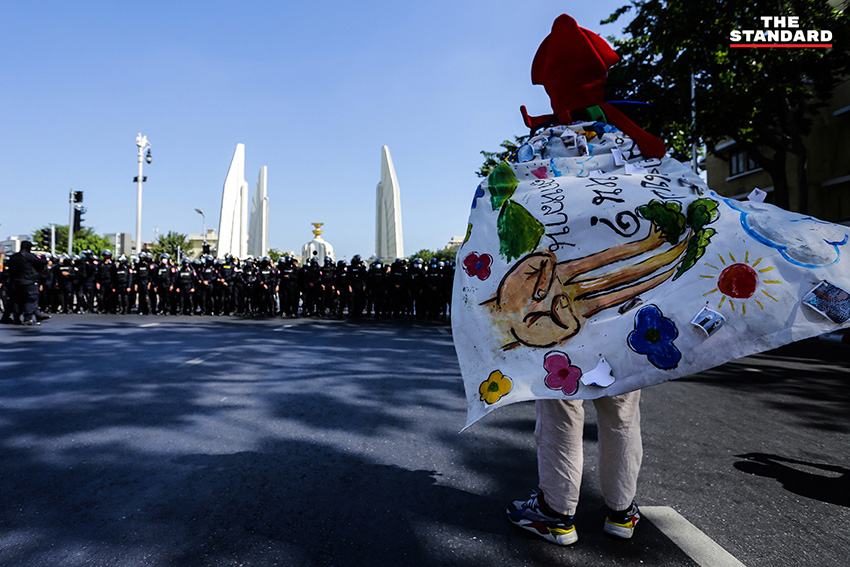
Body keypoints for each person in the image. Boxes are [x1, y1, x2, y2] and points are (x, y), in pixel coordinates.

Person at [5, 241, 49, 325]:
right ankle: (27, 318)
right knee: (31, 299)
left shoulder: (14, 257)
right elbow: (43, 262)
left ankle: (16, 318)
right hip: (28, 281)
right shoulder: (28, 256)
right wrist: (42, 257)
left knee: (17, 300)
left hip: (16, 281)